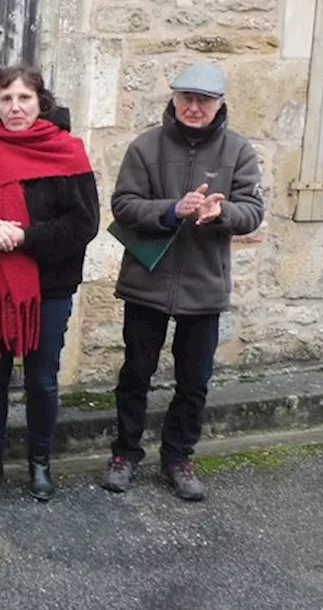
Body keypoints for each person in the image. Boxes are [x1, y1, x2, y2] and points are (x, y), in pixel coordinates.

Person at [101, 63, 264, 502]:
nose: (194, 107)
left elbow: (252, 211)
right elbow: (123, 205)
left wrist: (221, 214)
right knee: (136, 373)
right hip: (146, 282)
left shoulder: (238, 151)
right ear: (173, 100)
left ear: (220, 104)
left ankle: (177, 457)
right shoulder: (145, 147)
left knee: (194, 380)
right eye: (186, 98)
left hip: (204, 286)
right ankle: (125, 454)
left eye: (204, 100)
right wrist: (172, 210)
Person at [0, 66, 99, 501]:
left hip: (47, 290)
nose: (15, 107)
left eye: (24, 98)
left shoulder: (67, 153)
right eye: (6, 99)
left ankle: (39, 463)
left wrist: (25, 237)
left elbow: (84, 223)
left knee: (42, 380)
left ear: (40, 102)